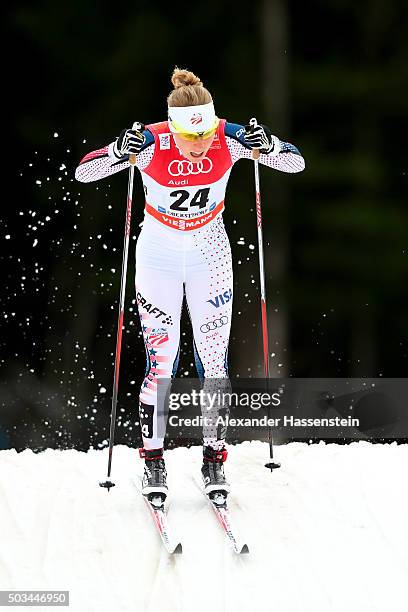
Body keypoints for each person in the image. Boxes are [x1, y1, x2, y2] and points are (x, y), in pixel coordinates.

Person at [75, 67, 304, 500]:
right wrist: (116, 153)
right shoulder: (148, 142)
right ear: (173, 128)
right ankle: (153, 461)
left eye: (204, 139)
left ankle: (214, 460)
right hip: (159, 257)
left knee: (213, 364)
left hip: (209, 255)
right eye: (189, 139)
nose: (199, 148)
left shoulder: (228, 136)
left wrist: (268, 144)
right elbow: (83, 173)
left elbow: (295, 162)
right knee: (161, 362)